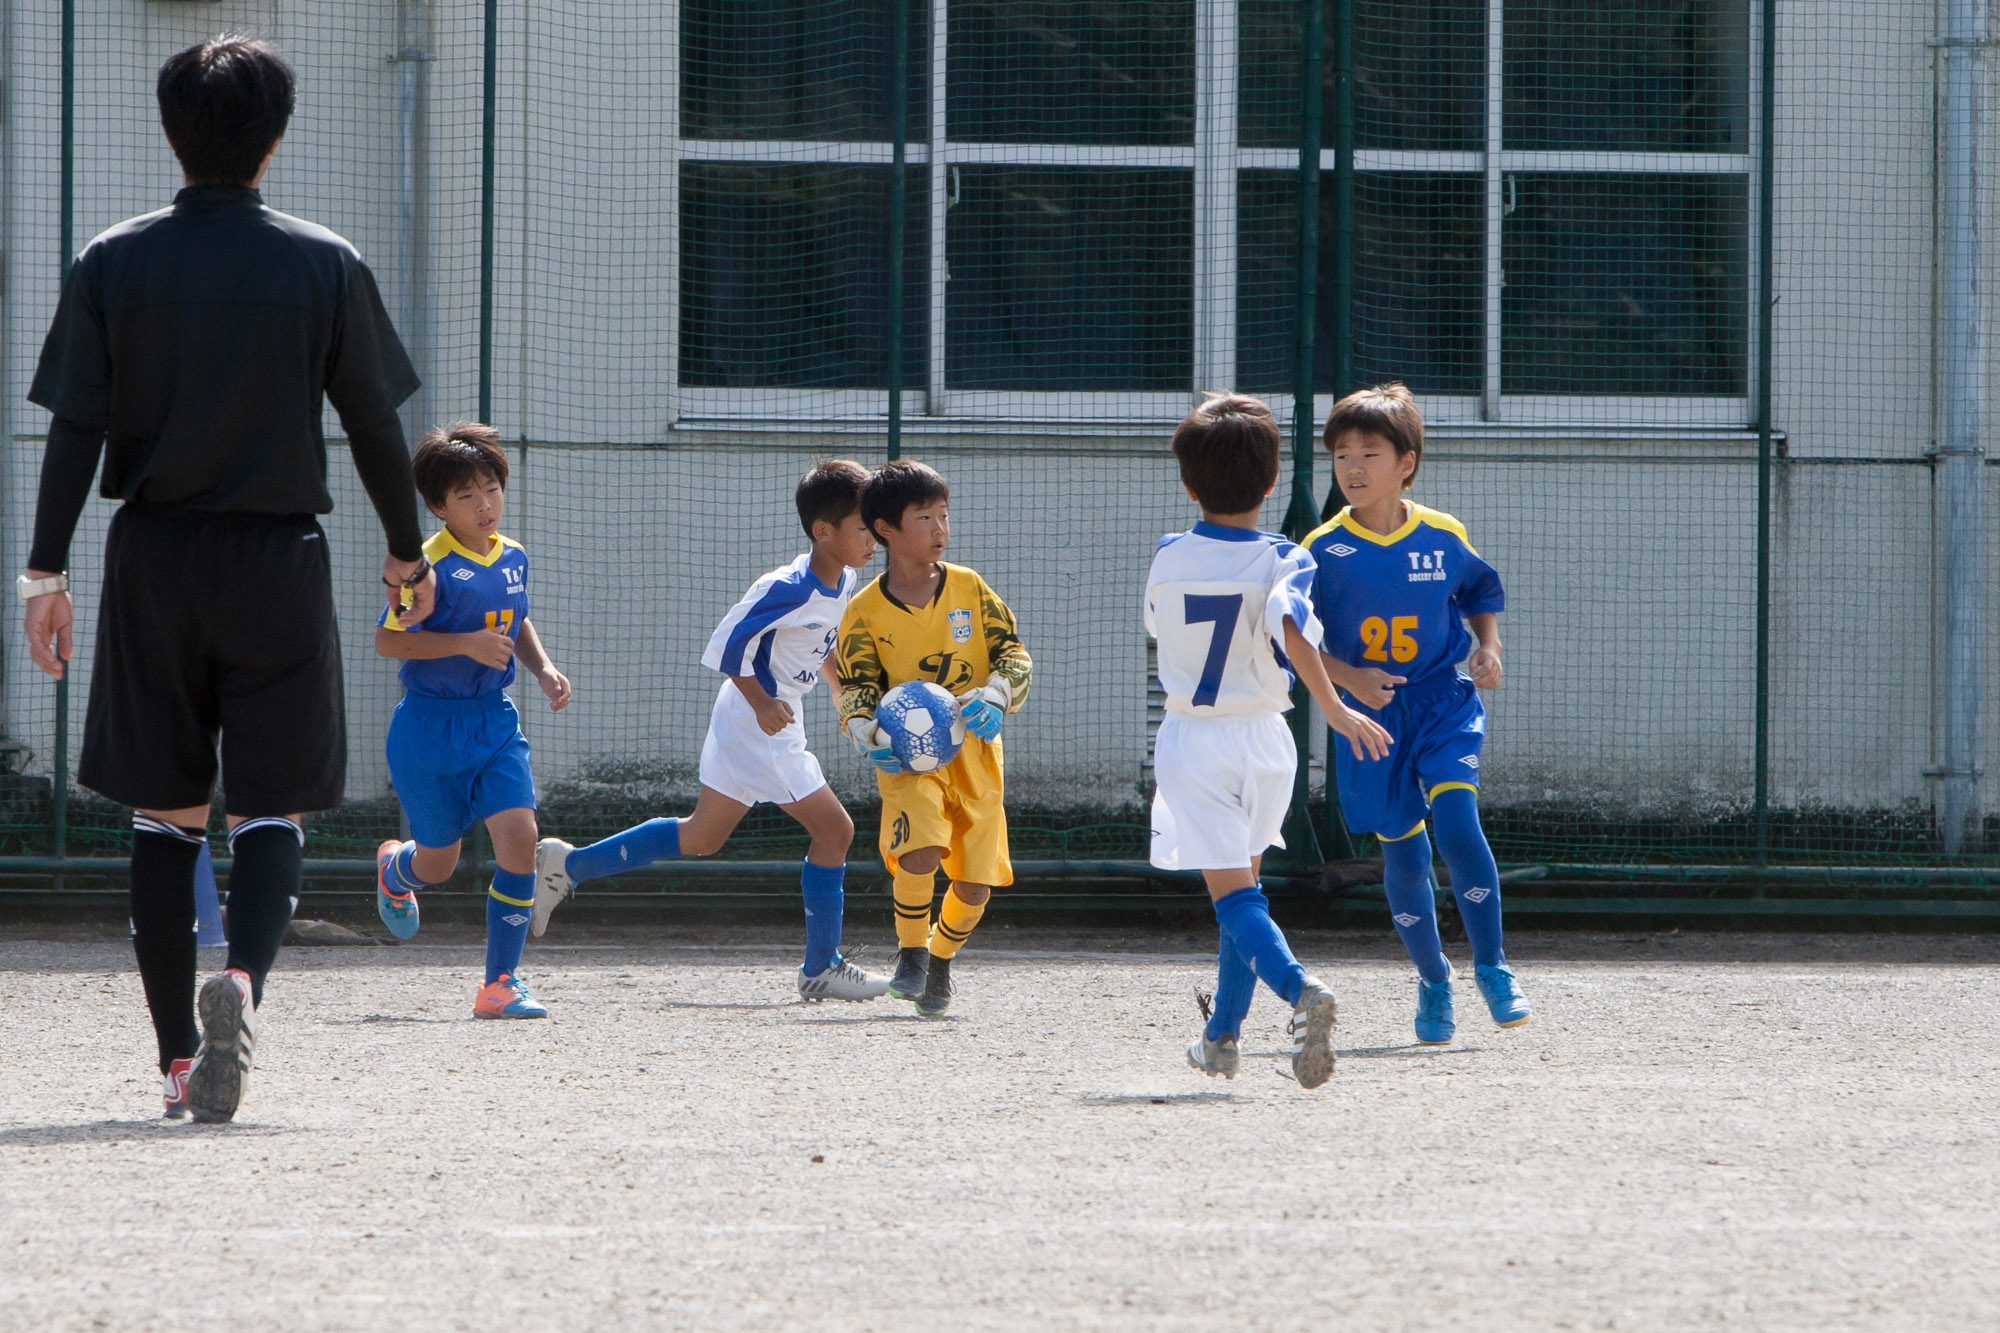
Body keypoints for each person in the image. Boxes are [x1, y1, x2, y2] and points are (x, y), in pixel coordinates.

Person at [18, 37, 436, 1122]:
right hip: (277, 560)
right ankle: (242, 982)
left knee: (165, 816)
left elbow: (76, 427)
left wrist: (43, 573)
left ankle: (174, 1061)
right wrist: (407, 548)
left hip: (153, 557)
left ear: (171, 132)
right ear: (275, 138)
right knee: (268, 806)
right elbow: (373, 424)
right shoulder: (323, 261)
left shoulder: (113, 260)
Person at [529, 460, 889, 1001]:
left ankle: (567, 864)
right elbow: (727, 644)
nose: (874, 538)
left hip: (759, 716)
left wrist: (840, 691)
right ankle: (821, 967)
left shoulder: (845, 580)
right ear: (823, 531)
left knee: (702, 835)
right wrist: (763, 703)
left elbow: (820, 644)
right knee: (835, 831)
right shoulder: (788, 587)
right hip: (757, 720)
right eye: (863, 527)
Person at [1147, 394, 1392, 1089]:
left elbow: (1166, 628)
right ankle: (1221, 1036)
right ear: (1272, 482)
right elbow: (1290, 625)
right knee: (1244, 891)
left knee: (1233, 897)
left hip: (1197, 740)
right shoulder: (1287, 556)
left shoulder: (1168, 555)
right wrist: (1334, 707)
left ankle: (1300, 988)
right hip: (1267, 740)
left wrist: (1336, 703)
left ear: (1188, 485)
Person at [1305, 383, 1530, 1045]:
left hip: (1441, 701)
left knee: (1457, 822)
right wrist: (1349, 678)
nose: (1352, 467)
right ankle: (1434, 980)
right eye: (1341, 454)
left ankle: (1493, 965)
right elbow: (1297, 642)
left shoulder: (1443, 533)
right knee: (1404, 856)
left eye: (1368, 453)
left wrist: (1489, 648)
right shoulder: (1320, 549)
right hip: (1370, 719)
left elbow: (1479, 592)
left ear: (1406, 462)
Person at [372, 424, 571, 1017]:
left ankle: (499, 983)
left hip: (494, 724)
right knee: (438, 864)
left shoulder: (514, 556)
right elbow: (388, 642)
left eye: (492, 488)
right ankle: (395, 870)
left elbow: (516, 618)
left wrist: (543, 668)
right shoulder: (423, 567)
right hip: (428, 730)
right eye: (466, 495)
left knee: (520, 838)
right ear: (438, 506)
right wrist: (462, 644)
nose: (485, 504)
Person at [835, 461, 1032, 1018]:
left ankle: (940, 961)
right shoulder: (864, 611)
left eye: (944, 515)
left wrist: (997, 695)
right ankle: (911, 954)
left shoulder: (970, 587)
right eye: (924, 518)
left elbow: (1013, 653)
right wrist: (862, 727)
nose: (940, 528)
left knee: (974, 885)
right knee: (919, 851)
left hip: (976, 754)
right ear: (885, 529)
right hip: (907, 761)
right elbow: (856, 685)